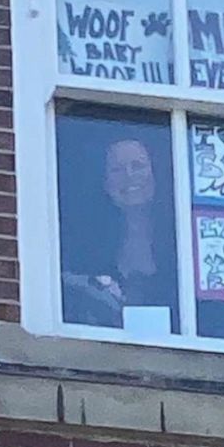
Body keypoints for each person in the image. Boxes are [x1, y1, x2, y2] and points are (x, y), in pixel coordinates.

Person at [62, 137, 179, 330]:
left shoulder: (178, 232)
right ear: (106, 182)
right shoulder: (88, 238)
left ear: (155, 173)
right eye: (117, 170)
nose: (129, 176)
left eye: (138, 166)